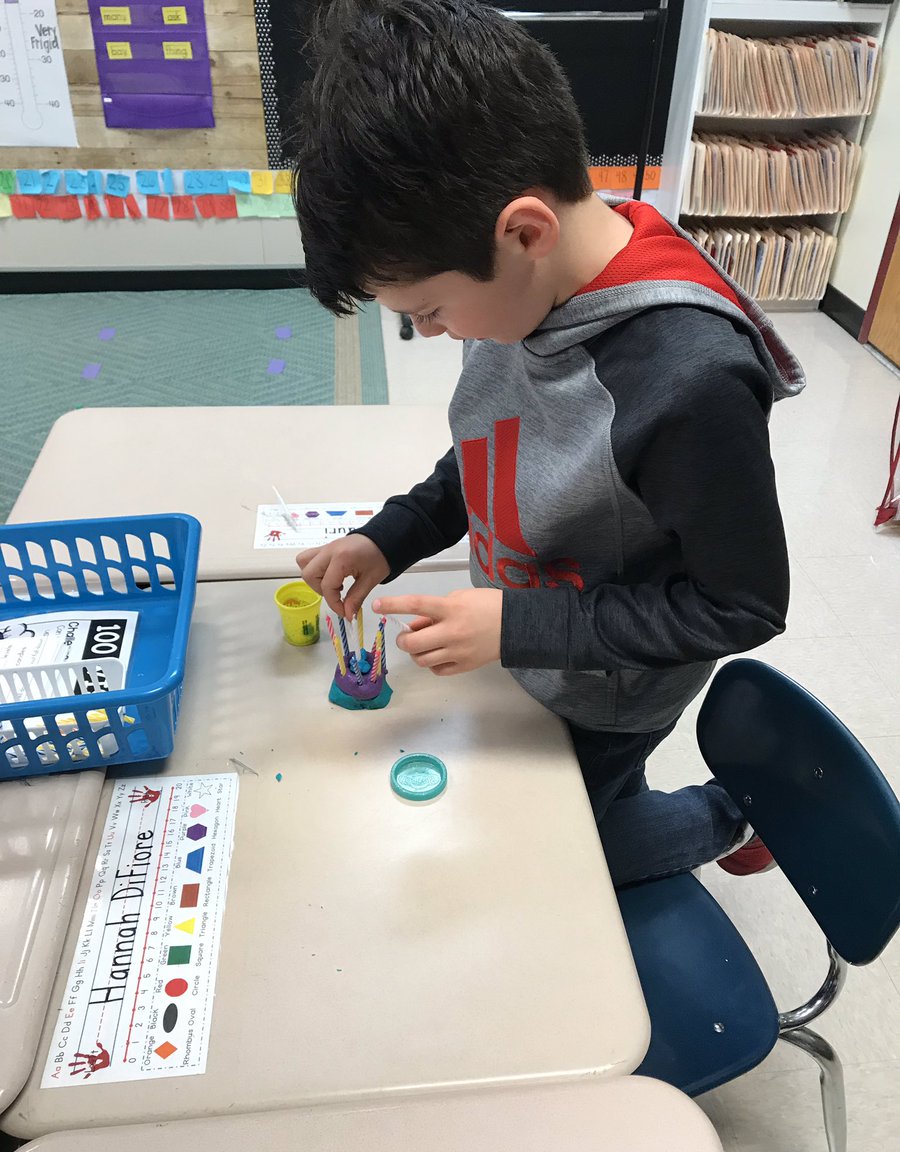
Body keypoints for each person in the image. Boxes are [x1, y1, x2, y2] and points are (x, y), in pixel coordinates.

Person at [290, 0, 805, 885]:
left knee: (567, 856)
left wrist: (521, 623)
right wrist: (393, 535)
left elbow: (743, 606)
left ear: (524, 232)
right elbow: (489, 453)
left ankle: (732, 816)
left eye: (428, 313)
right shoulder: (523, 290)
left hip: (607, 691)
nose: (440, 334)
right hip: (528, 646)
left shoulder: (686, 384)